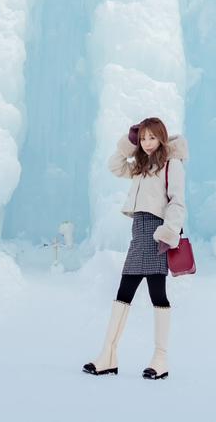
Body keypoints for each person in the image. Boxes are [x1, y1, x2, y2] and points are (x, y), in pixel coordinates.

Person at [81, 116, 187, 380]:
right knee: (123, 292)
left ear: (161, 137)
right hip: (138, 233)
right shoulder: (140, 165)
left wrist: (169, 232)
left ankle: (160, 359)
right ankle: (108, 355)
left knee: (157, 295)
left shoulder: (172, 164)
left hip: (157, 233)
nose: (147, 143)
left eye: (152, 137)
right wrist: (129, 144)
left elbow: (177, 202)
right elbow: (114, 166)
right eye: (142, 138)